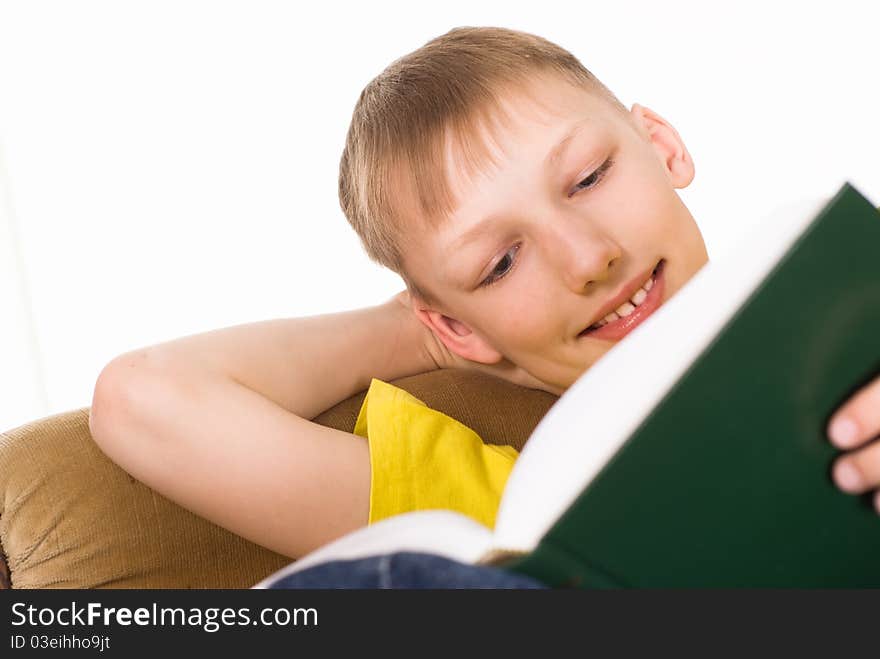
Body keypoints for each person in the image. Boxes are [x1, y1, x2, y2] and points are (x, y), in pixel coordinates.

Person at [88, 27, 880, 587]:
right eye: (500, 263)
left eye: (589, 177)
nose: (588, 258)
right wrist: (430, 328)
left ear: (662, 145)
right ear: (456, 325)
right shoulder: (491, 498)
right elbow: (144, 399)